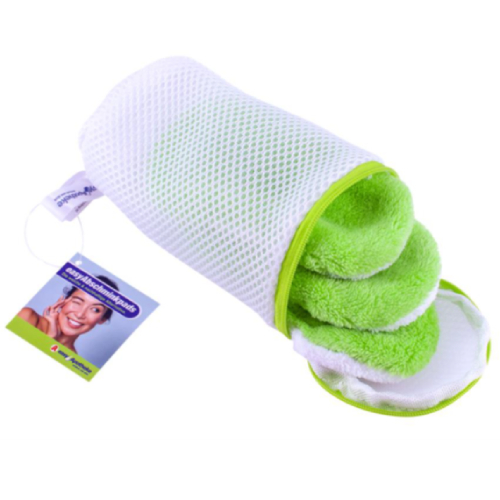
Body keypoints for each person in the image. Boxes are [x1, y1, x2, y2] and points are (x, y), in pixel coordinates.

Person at [18, 275, 119, 354]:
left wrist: (50, 339)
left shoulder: (72, 359)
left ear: (102, 319)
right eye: (77, 302)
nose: (80, 314)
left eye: (95, 309)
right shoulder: (27, 317)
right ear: (64, 301)